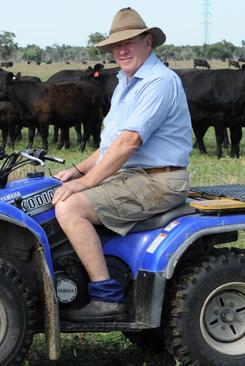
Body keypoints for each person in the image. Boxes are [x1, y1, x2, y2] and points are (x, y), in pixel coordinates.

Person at [51, 7, 192, 322]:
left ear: (149, 42)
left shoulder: (159, 81)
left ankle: (106, 296)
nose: (122, 50)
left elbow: (128, 143)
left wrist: (85, 184)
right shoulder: (125, 84)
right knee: (53, 193)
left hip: (158, 181)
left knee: (71, 208)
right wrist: (76, 171)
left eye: (130, 41)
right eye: (117, 45)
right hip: (131, 176)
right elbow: (109, 147)